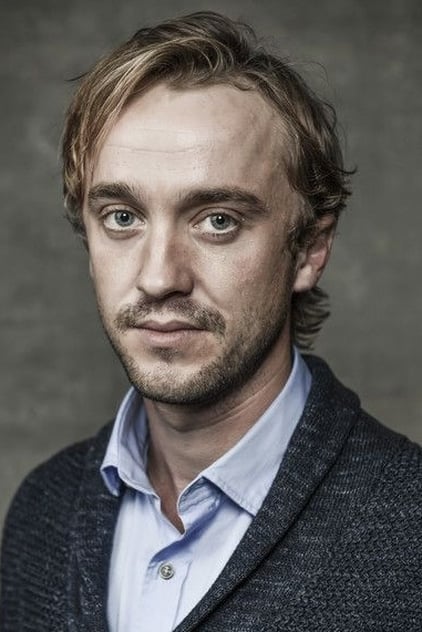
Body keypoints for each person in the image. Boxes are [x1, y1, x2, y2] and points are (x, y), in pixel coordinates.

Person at [1, 11, 421, 632]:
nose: (158, 277)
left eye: (217, 220)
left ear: (310, 249)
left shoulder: (409, 530)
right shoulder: (42, 512)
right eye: (122, 217)